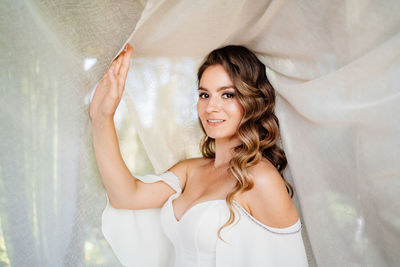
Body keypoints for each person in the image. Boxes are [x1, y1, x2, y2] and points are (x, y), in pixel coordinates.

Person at [90, 43, 308, 267]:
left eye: (228, 94)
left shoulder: (259, 177)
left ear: (252, 101)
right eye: (204, 94)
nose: (211, 107)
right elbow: (127, 197)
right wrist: (102, 116)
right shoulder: (190, 170)